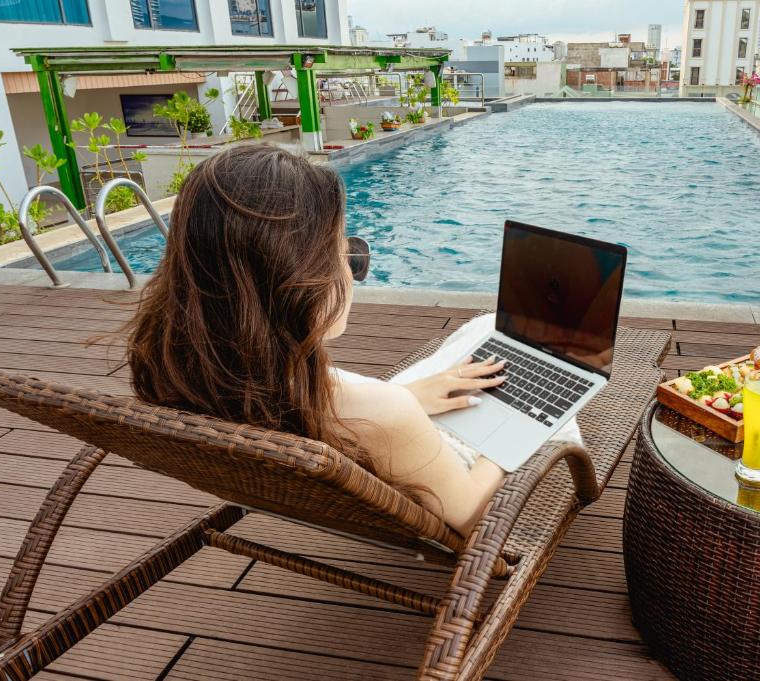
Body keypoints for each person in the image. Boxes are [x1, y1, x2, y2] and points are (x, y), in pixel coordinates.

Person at [124, 144, 506, 535]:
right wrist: (511, 440)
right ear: (296, 282)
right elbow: (470, 517)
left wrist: (408, 395)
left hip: (353, 443)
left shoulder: (179, 369)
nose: (352, 270)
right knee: (488, 328)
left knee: (482, 332)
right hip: (422, 464)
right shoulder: (385, 411)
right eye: (343, 254)